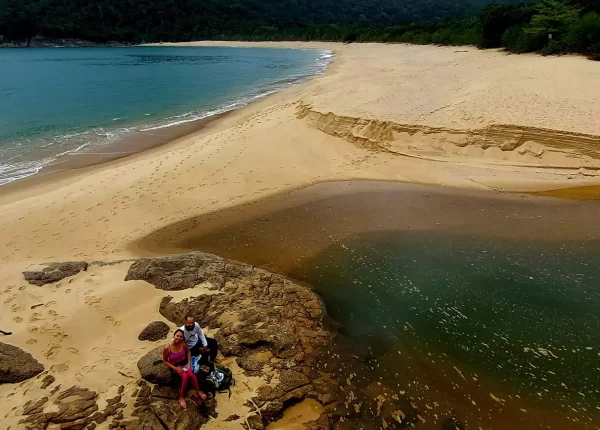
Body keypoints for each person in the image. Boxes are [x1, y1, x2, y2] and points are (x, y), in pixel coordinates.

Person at [162, 329, 207, 409]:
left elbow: (188, 352)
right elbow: (165, 361)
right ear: (174, 336)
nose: (179, 338)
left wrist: (189, 362)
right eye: (177, 336)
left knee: (192, 376)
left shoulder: (183, 343)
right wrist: (175, 368)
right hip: (175, 366)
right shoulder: (167, 347)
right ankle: (181, 397)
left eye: (181, 337)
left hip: (184, 363)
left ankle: (198, 391)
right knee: (185, 377)